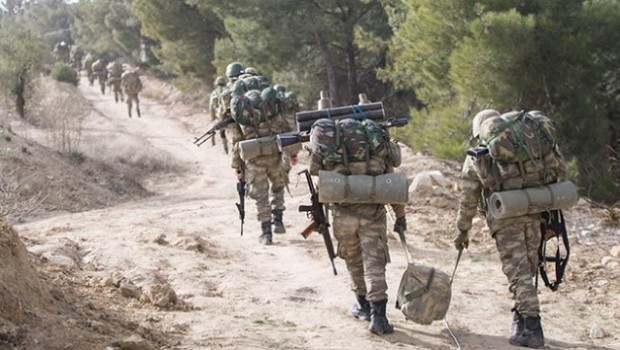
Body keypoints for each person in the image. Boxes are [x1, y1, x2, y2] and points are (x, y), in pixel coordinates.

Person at [454, 109, 568, 348]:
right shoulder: (529, 146)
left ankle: (534, 328)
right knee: (528, 266)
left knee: (518, 273)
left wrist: (462, 230)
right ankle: (521, 322)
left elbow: (468, 197)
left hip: (505, 216)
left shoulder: (479, 154)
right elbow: (559, 171)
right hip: (535, 208)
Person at [307, 113, 406, 335]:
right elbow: (390, 175)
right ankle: (378, 317)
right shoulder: (377, 143)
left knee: (352, 259)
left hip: (342, 213)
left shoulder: (329, 141)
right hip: (373, 212)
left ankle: (363, 307)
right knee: (374, 263)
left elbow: (315, 170)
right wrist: (400, 215)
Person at [228, 64, 289, 245]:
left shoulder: (239, 108)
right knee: (278, 186)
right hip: (274, 152)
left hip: (253, 156)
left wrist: (237, 166)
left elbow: (236, 141)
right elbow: (283, 126)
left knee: (260, 195)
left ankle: (266, 233)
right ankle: (278, 220)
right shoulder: (271, 104)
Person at [208, 76, 228, 151]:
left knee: (221, 130)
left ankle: (224, 145)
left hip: (219, 114)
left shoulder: (214, 93)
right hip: (228, 114)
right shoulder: (228, 90)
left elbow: (211, 107)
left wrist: (212, 117)